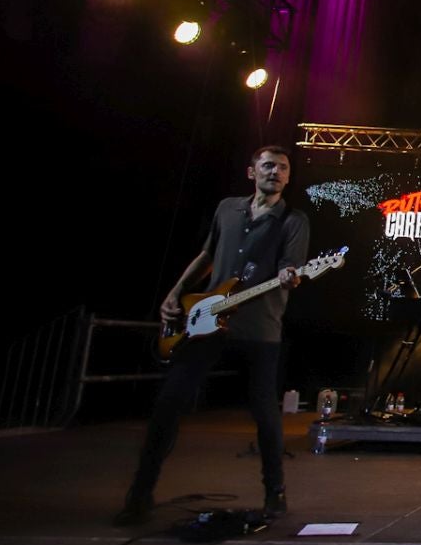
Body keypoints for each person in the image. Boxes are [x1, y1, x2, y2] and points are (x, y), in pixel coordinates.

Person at [117, 145, 310, 525]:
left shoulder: (294, 220)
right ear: (252, 172)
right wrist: (176, 292)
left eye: (283, 168)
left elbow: (291, 266)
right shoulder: (227, 209)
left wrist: (291, 275)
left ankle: (276, 493)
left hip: (260, 329)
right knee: (168, 404)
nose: (276, 172)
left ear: (288, 177)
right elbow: (207, 256)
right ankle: (139, 494)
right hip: (207, 323)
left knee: (265, 414)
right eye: (268, 165)